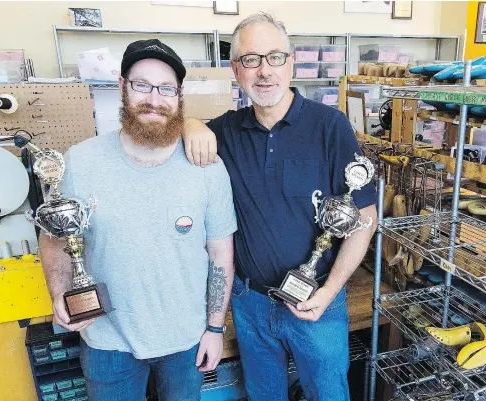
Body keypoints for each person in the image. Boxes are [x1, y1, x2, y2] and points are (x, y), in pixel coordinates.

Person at [183, 12, 377, 401]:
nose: (264, 71)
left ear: (290, 63)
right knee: (263, 395)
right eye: (251, 60)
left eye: (275, 57)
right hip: (251, 303)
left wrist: (329, 291)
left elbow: (365, 218)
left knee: (329, 395)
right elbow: (165, 126)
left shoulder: (329, 125)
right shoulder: (225, 131)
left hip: (317, 302)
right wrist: (188, 123)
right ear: (236, 69)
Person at [39, 39, 237, 401]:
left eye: (166, 89)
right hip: (106, 340)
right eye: (142, 85)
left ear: (179, 97)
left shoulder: (207, 168)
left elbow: (220, 254)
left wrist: (214, 328)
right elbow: (55, 239)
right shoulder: (80, 162)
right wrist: (59, 292)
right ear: (121, 86)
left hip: (186, 341)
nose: (154, 99)